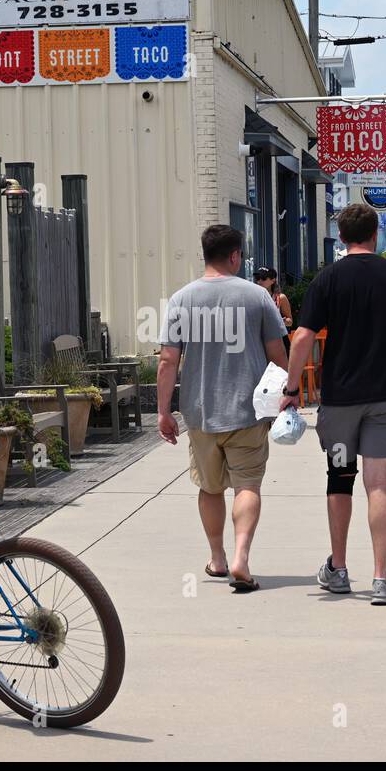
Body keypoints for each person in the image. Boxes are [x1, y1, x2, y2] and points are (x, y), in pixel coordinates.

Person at [279, 204, 386, 606]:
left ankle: (338, 568)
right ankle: (382, 578)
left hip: (339, 401)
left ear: (341, 235)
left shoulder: (328, 279)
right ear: (375, 233)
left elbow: (301, 338)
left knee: (339, 478)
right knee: (379, 484)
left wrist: (292, 385)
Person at [159, 225, 289, 593]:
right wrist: (288, 394)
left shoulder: (181, 300)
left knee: (210, 488)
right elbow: (277, 354)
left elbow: (168, 360)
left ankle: (216, 557)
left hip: (200, 413)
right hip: (248, 411)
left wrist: (164, 411)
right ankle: (241, 558)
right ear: (235, 256)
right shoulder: (258, 297)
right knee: (247, 484)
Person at [253, 266, 293, 354]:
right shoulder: (253, 297)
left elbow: (290, 321)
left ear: (273, 280)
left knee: (280, 367)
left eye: (263, 278)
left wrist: (282, 321)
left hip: (278, 338)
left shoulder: (280, 298)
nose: (259, 281)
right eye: (257, 278)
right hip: (259, 339)